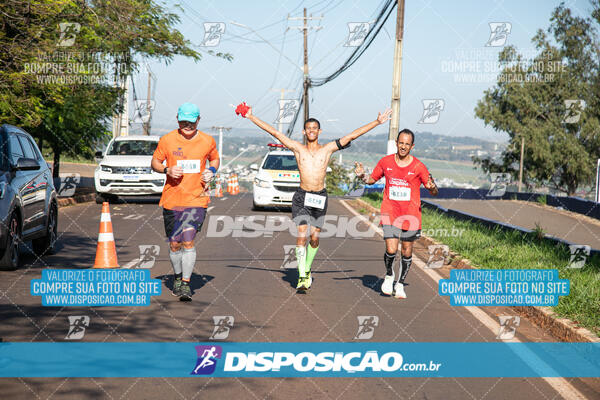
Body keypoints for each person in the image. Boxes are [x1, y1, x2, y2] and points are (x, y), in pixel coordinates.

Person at [240, 105, 392, 291]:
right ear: (304, 132)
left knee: (314, 237)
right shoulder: (297, 148)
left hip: (319, 196)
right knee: (301, 235)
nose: (311, 131)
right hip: (302, 195)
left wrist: (377, 122)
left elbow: (351, 136)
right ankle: (303, 275)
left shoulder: (327, 149)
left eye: (315, 128)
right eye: (308, 128)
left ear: (319, 131)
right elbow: (274, 132)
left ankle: (307, 268)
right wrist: (251, 117)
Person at [355, 128, 438, 299]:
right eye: (401, 143)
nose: (403, 147)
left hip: (411, 215)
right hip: (390, 212)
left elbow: (433, 190)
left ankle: (400, 284)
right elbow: (372, 180)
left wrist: (432, 187)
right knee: (391, 249)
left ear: (412, 146)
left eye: (407, 144)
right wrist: (362, 175)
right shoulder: (386, 162)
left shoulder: (418, 166)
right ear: (396, 143)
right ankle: (389, 275)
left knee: (407, 251)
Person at [151, 102, 219, 301]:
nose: (187, 126)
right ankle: (178, 277)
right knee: (174, 243)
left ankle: (186, 284)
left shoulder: (207, 141)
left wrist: (211, 171)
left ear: (199, 120)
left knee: (188, 240)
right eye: (183, 122)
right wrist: (166, 170)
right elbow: (155, 162)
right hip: (172, 199)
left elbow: (215, 159)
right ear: (177, 119)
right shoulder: (167, 140)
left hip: (197, 198)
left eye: (191, 122)